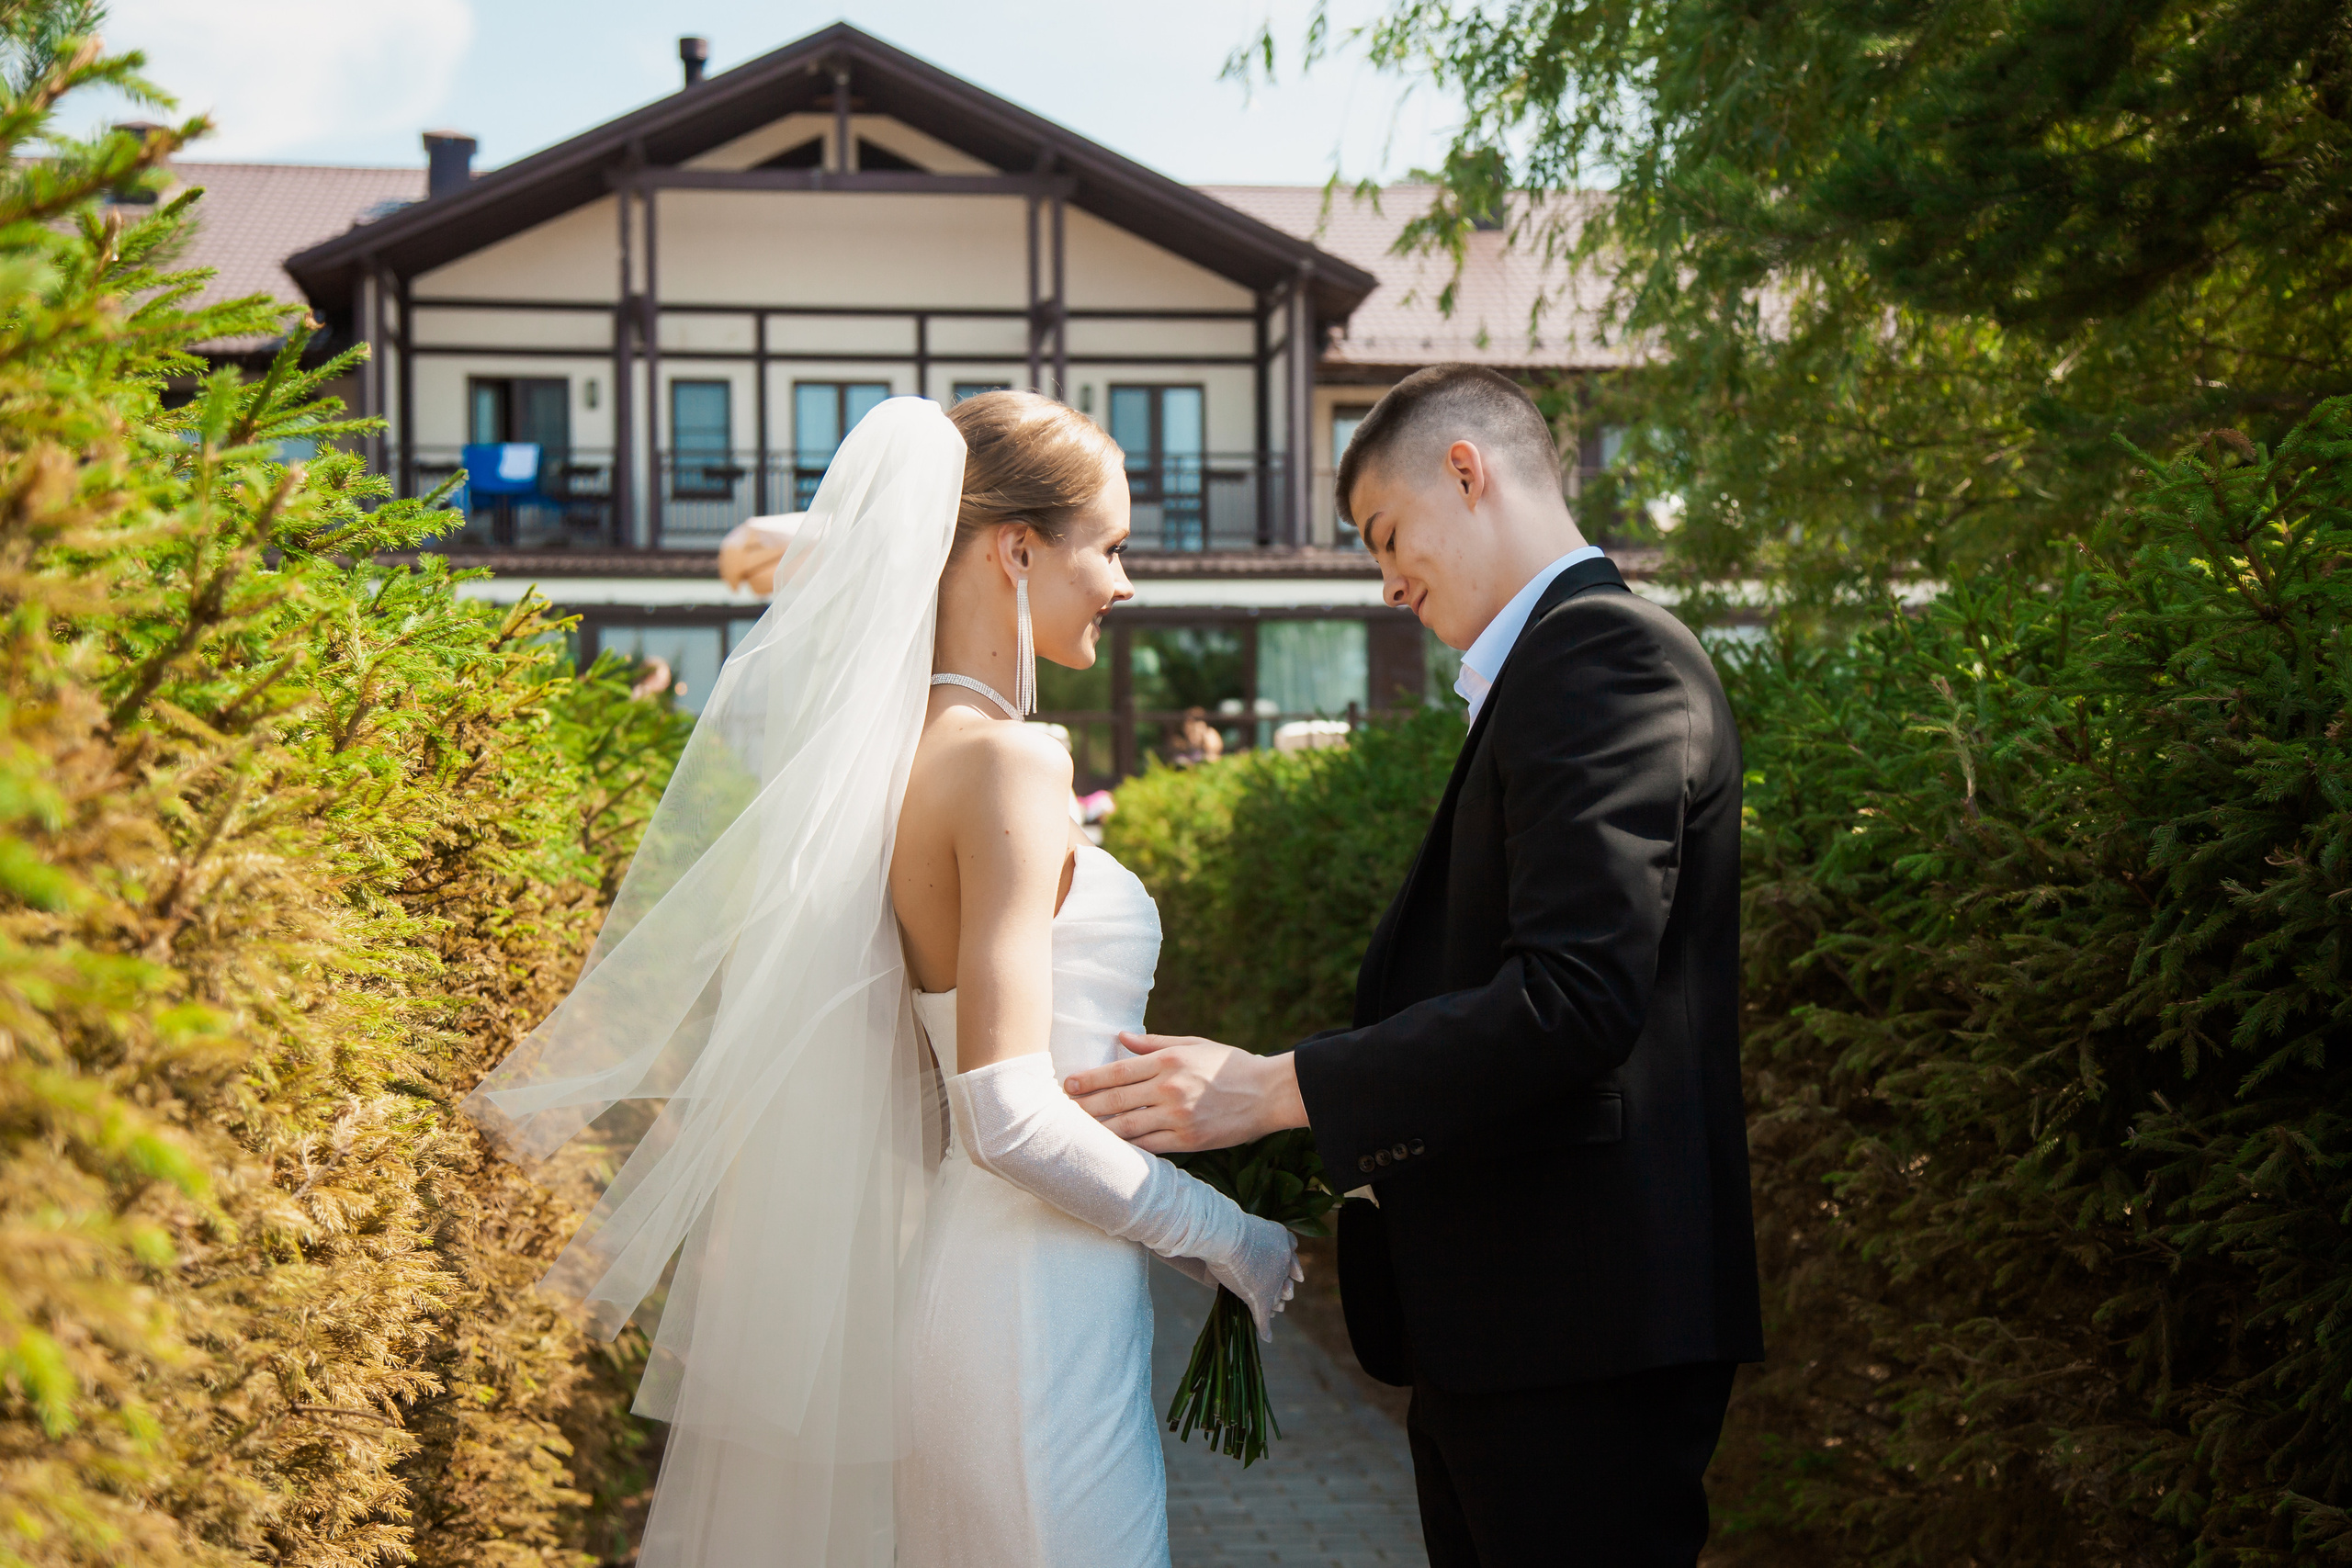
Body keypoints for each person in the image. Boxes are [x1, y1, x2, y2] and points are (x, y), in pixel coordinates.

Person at [463, 392, 1296, 1568]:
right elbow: (1004, 1112)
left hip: (998, 1284)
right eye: (1108, 547)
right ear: (1014, 548)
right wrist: (1230, 1233)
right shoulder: (1009, 762)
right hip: (1028, 1303)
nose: (1123, 581)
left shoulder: (916, 752)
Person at [1066, 364, 1766, 1568]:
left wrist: (1276, 1084)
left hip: (1579, 1330)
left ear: (1467, 469)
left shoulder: (1600, 655)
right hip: (1521, 1325)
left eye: (1386, 537)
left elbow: (1576, 997)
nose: (1388, 583)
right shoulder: (1552, 667)